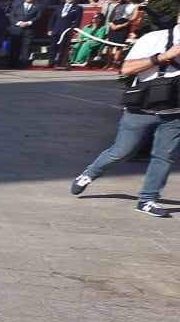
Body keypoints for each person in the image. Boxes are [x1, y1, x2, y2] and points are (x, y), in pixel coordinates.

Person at [71, 21, 180, 217]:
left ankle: (147, 199)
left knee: (164, 156)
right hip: (143, 108)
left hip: (175, 113)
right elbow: (127, 68)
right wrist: (164, 56)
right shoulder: (155, 38)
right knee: (122, 151)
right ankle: (90, 173)